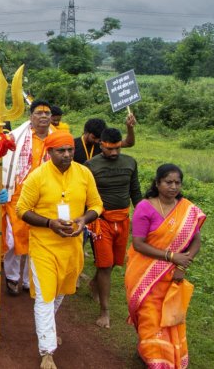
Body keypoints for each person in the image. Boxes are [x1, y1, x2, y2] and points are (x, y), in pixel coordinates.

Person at [16, 130, 103, 369]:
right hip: (44, 246)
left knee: (61, 292)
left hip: (73, 246)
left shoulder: (84, 173)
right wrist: (49, 223)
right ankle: (47, 351)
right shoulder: (37, 176)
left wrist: (84, 220)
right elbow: (22, 210)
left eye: (70, 150)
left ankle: (48, 330)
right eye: (60, 151)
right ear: (49, 152)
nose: (66, 155)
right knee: (45, 296)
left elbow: (97, 204)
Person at [125, 164, 205, 369]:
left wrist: (183, 265)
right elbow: (139, 244)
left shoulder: (186, 208)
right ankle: (155, 360)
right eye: (168, 182)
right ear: (158, 182)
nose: (173, 186)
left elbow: (196, 240)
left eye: (177, 182)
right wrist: (171, 256)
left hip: (172, 276)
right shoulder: (145, 206)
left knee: (170, 318)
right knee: (150, 318)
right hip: (144, 272)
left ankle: (165, 356)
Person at [84, 128, 143, 329]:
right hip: (101, 221)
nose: (115, 153)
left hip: (123, 220)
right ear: (101, 145)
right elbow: (85, 196)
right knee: (105, 265)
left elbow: (135, 191)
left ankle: (95, 283)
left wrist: (144, 217)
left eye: (118, 148)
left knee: (114, 263)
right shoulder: (90, 166)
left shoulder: (130, 162)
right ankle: (104, 312)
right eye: (110, 149)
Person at [0, 99, 55, 295]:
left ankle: (30, 279)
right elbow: (1, 160)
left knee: (38, 239)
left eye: (47, 113)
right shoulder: (15, 137)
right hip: (18, 195)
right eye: (39, 113)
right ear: (31, 116)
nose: (44, 116)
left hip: (46, 197)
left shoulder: (57, 139)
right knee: (14, 240)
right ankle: (12, 277)